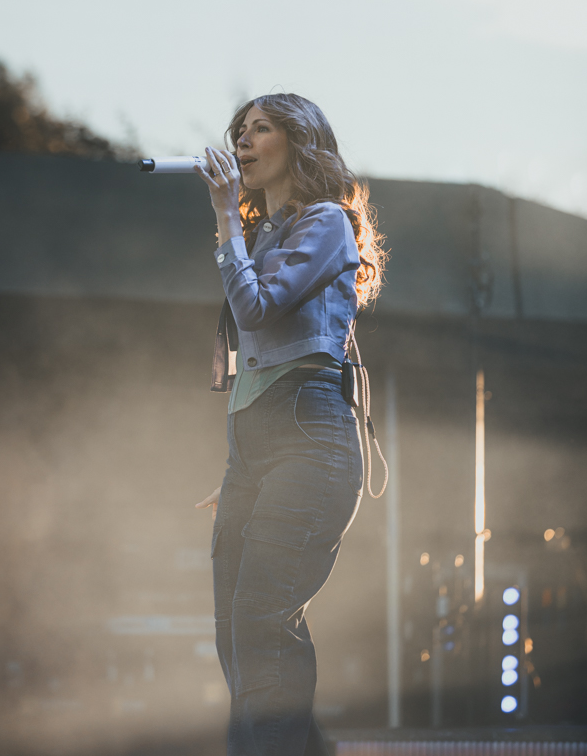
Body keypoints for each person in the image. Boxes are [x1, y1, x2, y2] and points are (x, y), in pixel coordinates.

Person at [194, 93, 386, 756]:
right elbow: (250, 363)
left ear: (298, 144)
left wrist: (223, 217)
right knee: (235, 631)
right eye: (238, 131)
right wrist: (241, 467)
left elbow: (256, 311)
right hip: (255, 448)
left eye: (260, 129)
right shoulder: (261, 236)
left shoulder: (326, 221)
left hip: (309, 437)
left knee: (260, 621)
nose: (243, 142)